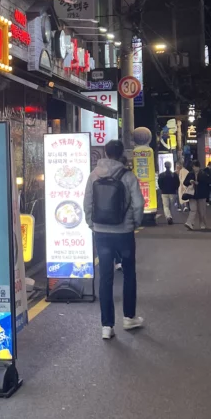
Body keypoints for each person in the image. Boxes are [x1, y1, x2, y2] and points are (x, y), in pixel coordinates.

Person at [83, 139, 144, 340]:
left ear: (106, 154)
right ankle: (129, 317)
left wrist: (92, 225)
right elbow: (138, 204)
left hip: (101, 233)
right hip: (123, 232)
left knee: (106, 277)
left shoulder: (94, 175)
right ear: (121, 154)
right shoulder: (128, 176)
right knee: (129, 274)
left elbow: (87, 203)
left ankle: (107, 326)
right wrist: (134, 223)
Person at [183, 160, 210, 231]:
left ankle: (202, 224)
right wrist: (190, 181)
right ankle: (189, 223)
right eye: (193, 167)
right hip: (192, 194)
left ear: (199, 167)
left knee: (202, 211)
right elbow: (185, 182)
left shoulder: (203, 174)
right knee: (193, 209)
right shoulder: (190, 174)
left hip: (201, 195)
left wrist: (199, 184)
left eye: (196, 167)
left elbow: (207, 183)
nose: (194, 168)